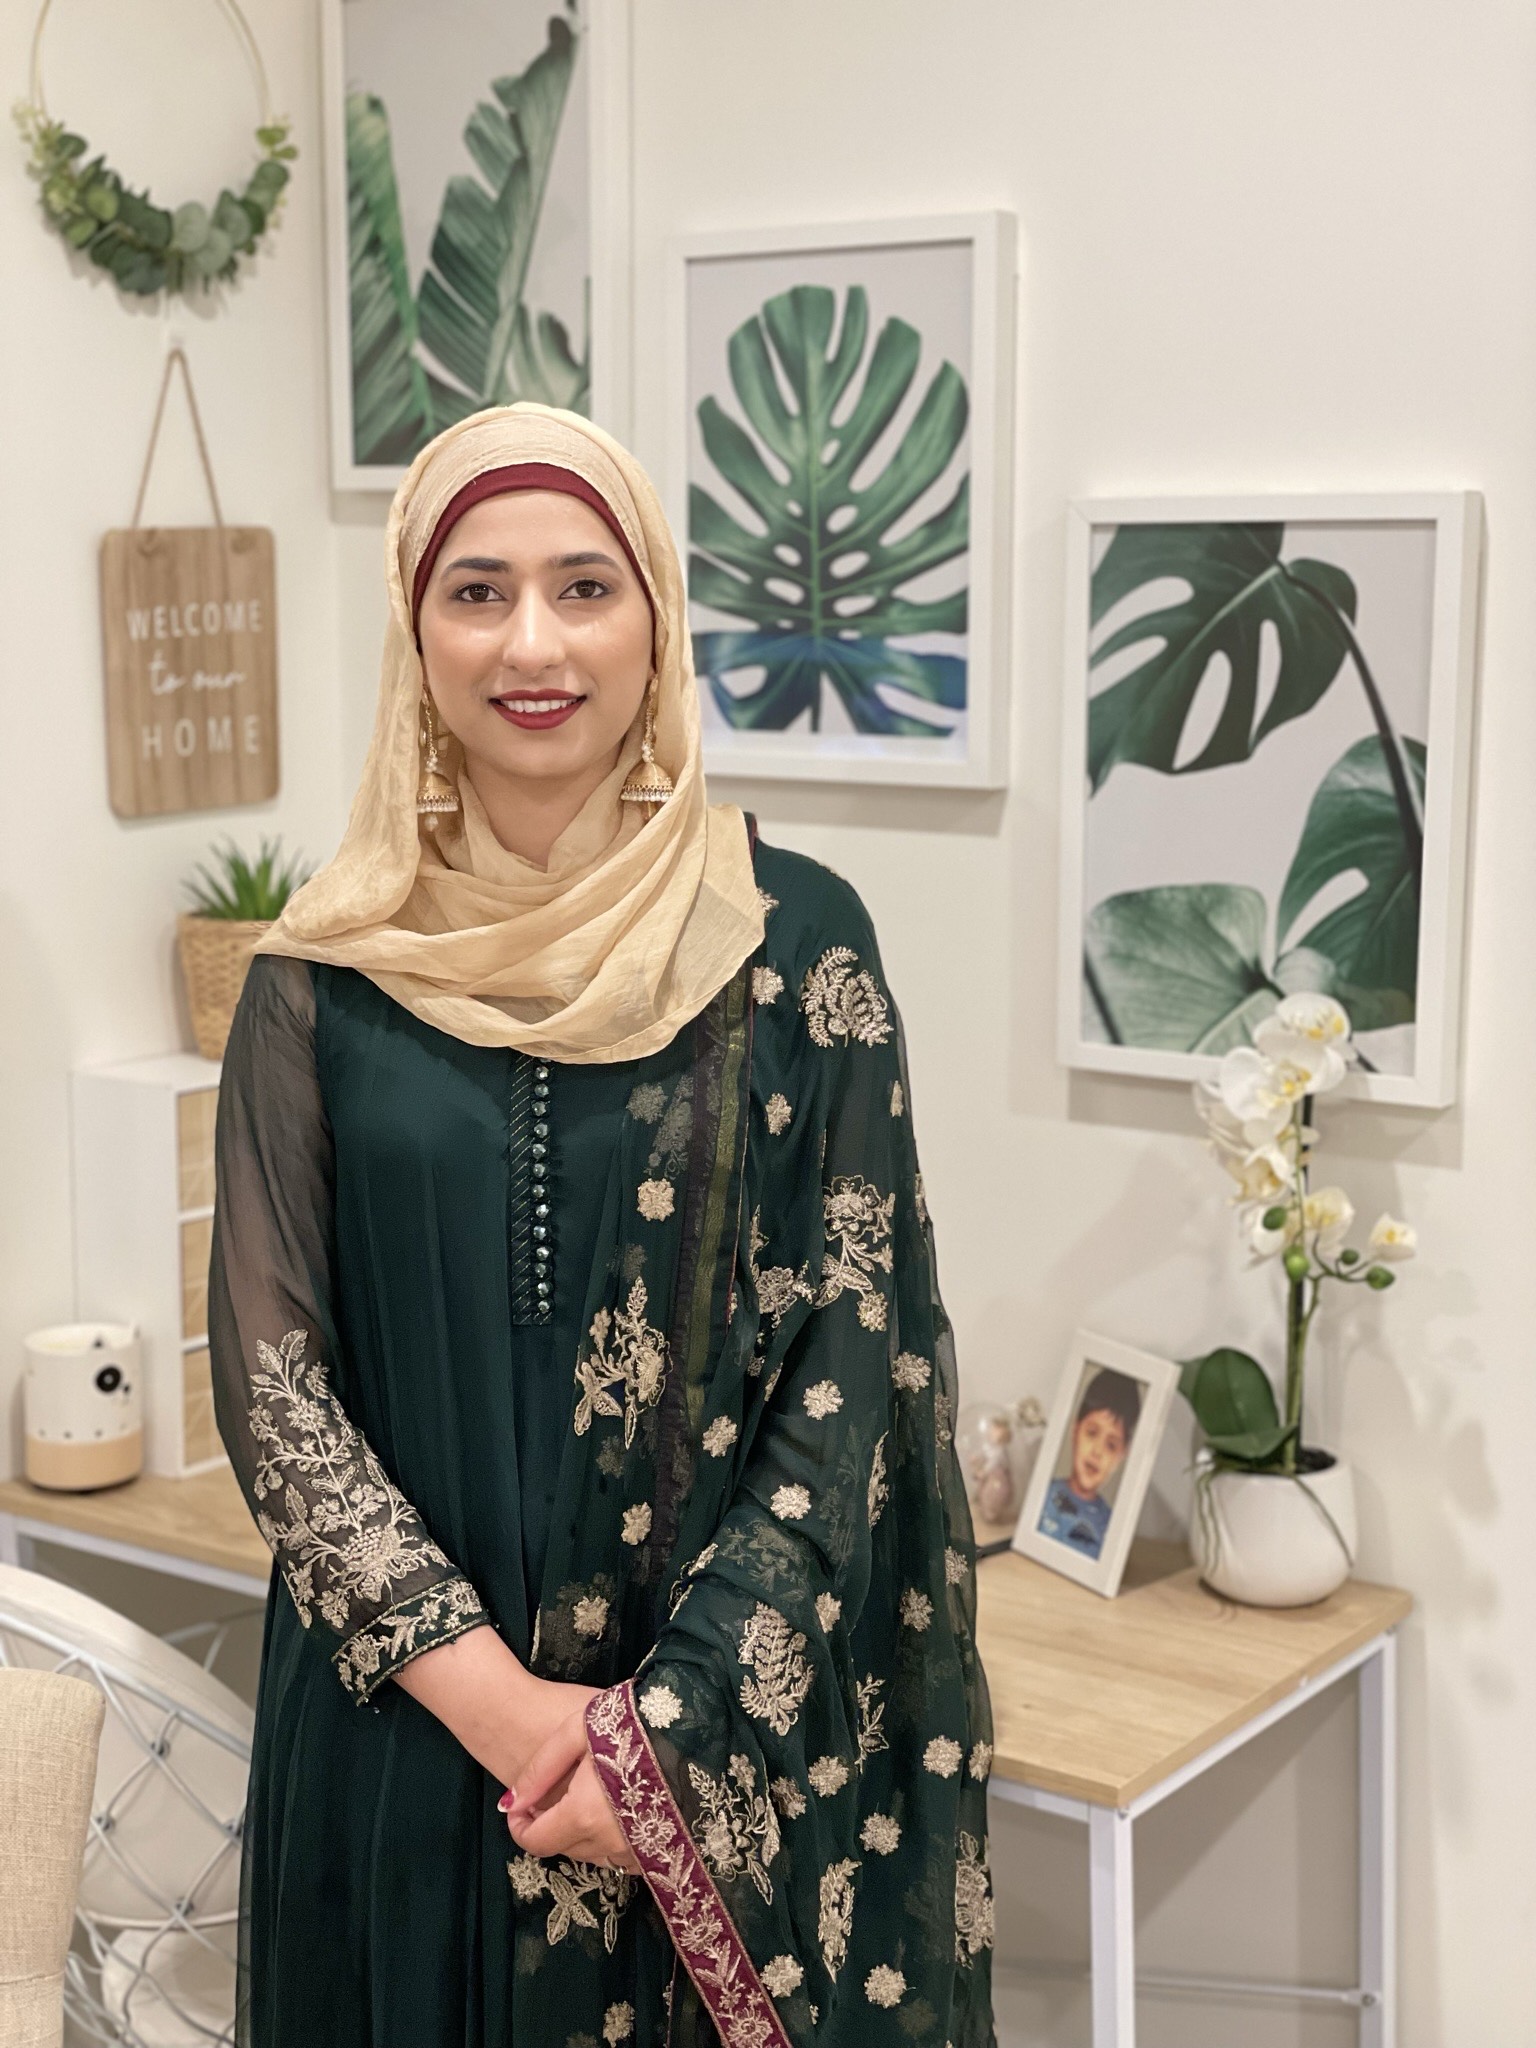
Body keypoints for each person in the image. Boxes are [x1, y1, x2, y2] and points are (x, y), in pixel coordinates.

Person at [209, 403, 996, 2048]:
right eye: (476, 592)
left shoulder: (792, 944)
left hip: (701, 1764)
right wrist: (512, 1718)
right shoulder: (319, 972)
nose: (533, 643)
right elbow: (278, 1398)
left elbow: (853, 1366)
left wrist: (662, 1739)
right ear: (414, 630)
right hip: (405, 1742)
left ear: (657, 621)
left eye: (584, 585)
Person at [1035, 1368, 1141, 1562]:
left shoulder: (1111, 1527)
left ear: (1122, 1455)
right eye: (1092, 1433)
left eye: (1111, 1445)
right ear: (1076, 1430)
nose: (1097, 1452)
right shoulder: (1041, 1493)